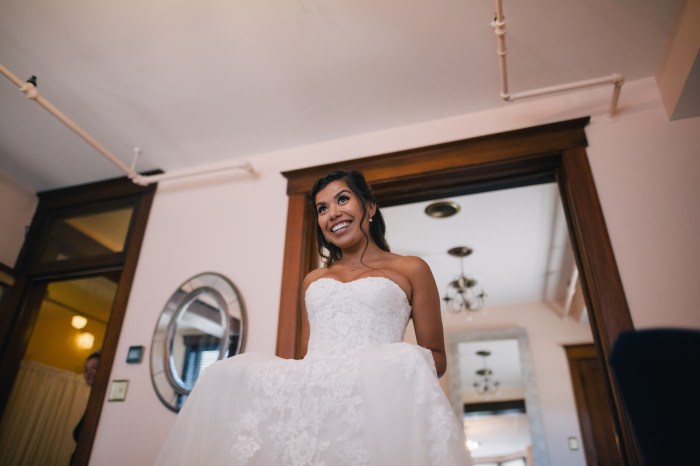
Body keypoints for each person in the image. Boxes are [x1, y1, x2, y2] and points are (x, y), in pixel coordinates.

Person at [154, 170, 472, 465]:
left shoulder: (411, 268)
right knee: (219, 375)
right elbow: (308, 358)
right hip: (318, 408)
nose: (332, 213)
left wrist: (390, 364)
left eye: (342, 199)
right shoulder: (314, 280)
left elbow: (437, 358)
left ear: (370, 207)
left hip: (376, 405)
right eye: (322, 208)